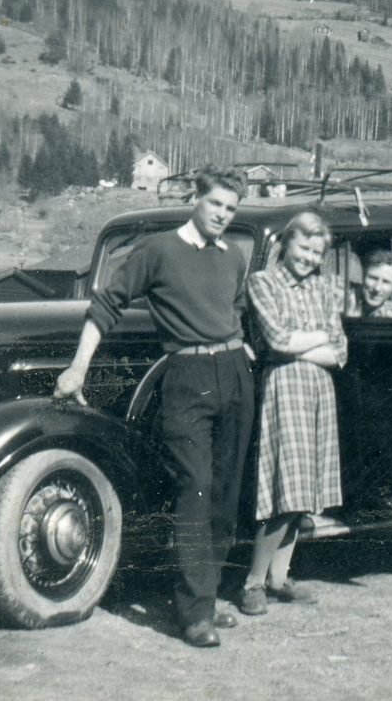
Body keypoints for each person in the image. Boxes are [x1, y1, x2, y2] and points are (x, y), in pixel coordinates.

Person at [53, 165, 253, 649]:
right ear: (196, 199)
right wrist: (78, 368)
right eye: (215, 205)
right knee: (196, 489)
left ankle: (207, 594)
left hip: (235, 375)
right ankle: (194, 614)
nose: (223, 215)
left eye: (231, 208)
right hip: (186, 379)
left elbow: (238, 309)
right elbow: (106, 306)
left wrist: (241, 351)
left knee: (225, 495)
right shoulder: (159, 250)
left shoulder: (233, 258)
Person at [239, 212, 348, 616]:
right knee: (284, 490)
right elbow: (278, 339)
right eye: (304, 248)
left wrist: (312, 342)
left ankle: (279, 579)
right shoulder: (262, 282)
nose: (309, 258)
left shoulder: (322, 288)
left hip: (318, 392)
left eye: (317, 253)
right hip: (284, 389)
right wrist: (321, 339)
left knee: (302, 492)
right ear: (287, 244)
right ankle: (252, 583)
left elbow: (342, 351)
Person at [345, 249, 392, 319]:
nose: (377, 288)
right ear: (363, 276)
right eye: (373, 278)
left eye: (385, 282)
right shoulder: (340, 300)